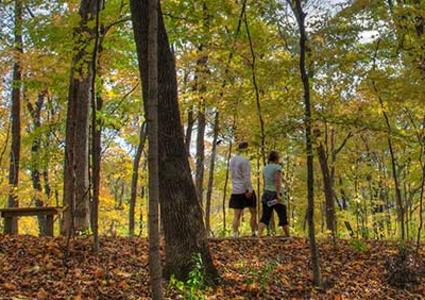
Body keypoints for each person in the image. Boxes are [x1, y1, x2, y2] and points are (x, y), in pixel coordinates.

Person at [258, 150, 290, 237]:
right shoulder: (277, 168)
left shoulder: (265, 168)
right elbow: (277, 181)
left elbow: (265, 182)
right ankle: (288, 236)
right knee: (282, 215)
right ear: (276, 158)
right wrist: (278, 194)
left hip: (267, 194)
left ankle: (258, 236)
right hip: (275, 196)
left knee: (265, 216)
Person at [229, 141, 257, 238]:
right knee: (253, 212)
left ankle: (235, 234)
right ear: (246, 148)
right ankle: (254, 232)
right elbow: (246, 177)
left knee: (236, 215)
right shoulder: (245, 161)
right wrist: (249, 190)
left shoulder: (232, 160)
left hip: (235, 190)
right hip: (245, 189)